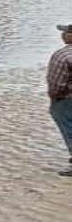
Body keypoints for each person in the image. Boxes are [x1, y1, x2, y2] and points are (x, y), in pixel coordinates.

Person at [49, 24, 72, 177]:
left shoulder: (62, 56)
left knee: (69, 129)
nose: (62, 34)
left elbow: (57, 83)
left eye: (65, 32)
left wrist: (54, 98)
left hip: (67, 99)